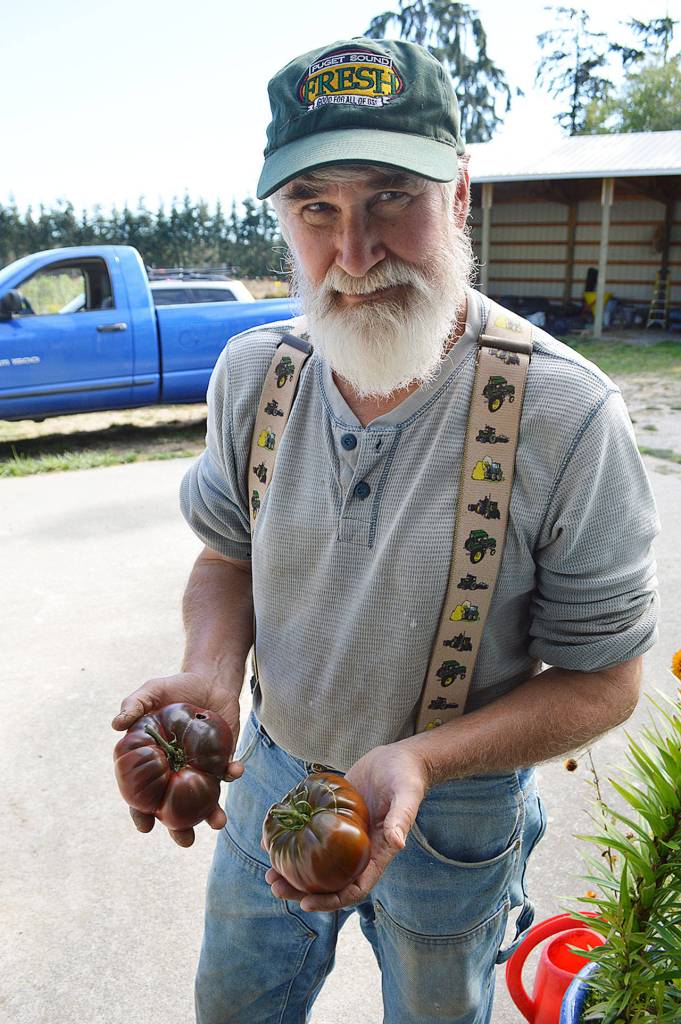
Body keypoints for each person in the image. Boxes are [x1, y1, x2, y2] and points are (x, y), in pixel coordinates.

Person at [112, 37, 660, 1024]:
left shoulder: (568, 416)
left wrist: (423, 758)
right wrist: (207, 670)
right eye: (316, 208)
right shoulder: (254, 374)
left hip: (455, 812)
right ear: (284, 220)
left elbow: (608, 679)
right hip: (269, 772)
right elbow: (225, 556)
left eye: (390, 198)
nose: (355, 252)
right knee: (232, 1005)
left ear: (457, 192)